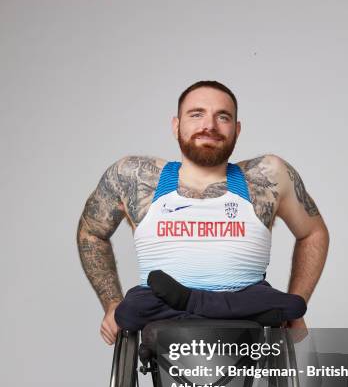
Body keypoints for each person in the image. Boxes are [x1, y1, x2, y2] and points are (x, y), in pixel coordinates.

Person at [77, 80, 329, 345]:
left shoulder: (270, 175)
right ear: (176, 125)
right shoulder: (134, 176)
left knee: (279, 303)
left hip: (243, 298)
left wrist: (299, 300)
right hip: (166, 304)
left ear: (237, 130)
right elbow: (91, 232)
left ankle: (189, 303)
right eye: (196, 114)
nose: (209, 125)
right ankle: (199, 305)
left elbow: (313, 233)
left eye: (223, 117)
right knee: (133, 308)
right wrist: (111, 302)